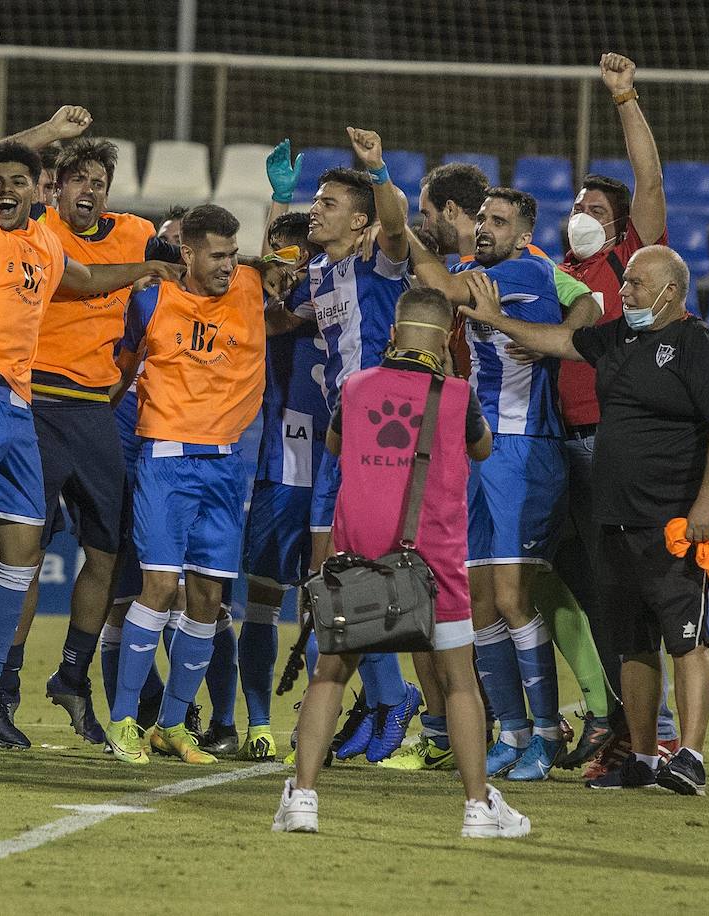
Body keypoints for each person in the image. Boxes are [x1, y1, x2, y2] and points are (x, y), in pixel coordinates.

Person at [0, 32, 173, 750]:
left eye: (25, 181)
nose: (12, 189)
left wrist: (143, 271)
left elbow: (84, 281)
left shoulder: (47, 246)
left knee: (22, 552)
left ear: (39, 190)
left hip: (16, 410)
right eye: (3, 181)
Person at [457, 245, 709, 796]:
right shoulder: (617, 337)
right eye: (627, 281)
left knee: (686, 640)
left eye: (636, 284)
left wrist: (706, 504)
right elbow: (561, 341)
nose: (626, 291)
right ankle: (642, 757)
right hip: (611, 520)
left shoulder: (698, 345)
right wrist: (495, 320)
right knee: (631, 644)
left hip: (672, 523)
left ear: (670, 292)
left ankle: (691, 756)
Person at [274, 287, 529, 838]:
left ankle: (303, 800)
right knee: (459, 682)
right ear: (445, 342)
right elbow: (482, 450)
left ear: (393, 333)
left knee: (330, 675)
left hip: (357, 560)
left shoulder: (357, 387)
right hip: (432, 562)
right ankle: (477, 808)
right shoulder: (457, 394)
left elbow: (338, 445)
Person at [0, 122, 182, 742]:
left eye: (101, 183)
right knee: (17, 557)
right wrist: (51, 132)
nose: (91, 190)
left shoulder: (137, 234)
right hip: (29, 406)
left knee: (107, 554)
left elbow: (189, 254)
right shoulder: (32, 228)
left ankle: (71, 676)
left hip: (91, 411)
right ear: (53, 187)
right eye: (79, 179)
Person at [103, 203, 284, 766]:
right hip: (165, 459)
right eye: (217, 255)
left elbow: (283, 259)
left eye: (234, 254)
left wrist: (276, 199)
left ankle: (174, 725)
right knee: (157, 588)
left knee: (208, 598)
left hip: (226, 468)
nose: (229, 265)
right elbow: (121, 372)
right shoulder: (151, 299)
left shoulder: (252, 286)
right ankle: (124, 720)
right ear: (187, 253)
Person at [405, 188, 571, 782]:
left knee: (509, 599)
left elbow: (442, 290)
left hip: (524, 450)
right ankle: (512, 731)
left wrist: (393, 216)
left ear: (522, 234)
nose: (485, 229)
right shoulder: (478, 271)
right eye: (482, 219)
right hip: (478, 449)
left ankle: (548, 734)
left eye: (498, 222)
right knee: (476, 606)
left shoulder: (529, 270)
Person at [272, 131, 422, 763]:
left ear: (358, 221)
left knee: (359, 576)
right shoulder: (322, 272)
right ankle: (388, 698)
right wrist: (277, 200)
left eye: (329, 202)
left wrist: (379, 169)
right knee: (324, 579)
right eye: (318, 199)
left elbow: (395, 222)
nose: (318, 208)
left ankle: (392, 700)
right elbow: (275, 300)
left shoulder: (379, 263)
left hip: (382, 440)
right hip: (338, 441)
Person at [551, 52, 680, 774]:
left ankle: (652, 732)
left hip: (608, 446)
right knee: (581, 590)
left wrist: (625, 99)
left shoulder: (628, 261)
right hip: (558, 448)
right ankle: (614, 727)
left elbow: (650, 182)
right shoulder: (555, 271)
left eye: (596, 210)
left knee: (628, 591)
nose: (583, 218)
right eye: (577, 208)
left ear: (621, 225)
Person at [198, 211, 328, 761]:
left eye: (296, 252)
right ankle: (251, 723)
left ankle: (319, 723)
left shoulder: (328, 297)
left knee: (329, 602)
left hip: (321, 465)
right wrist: (274, 203)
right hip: (274, 464)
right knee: (260, 599)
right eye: (278, 250)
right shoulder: (258, 304)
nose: (286, 261)